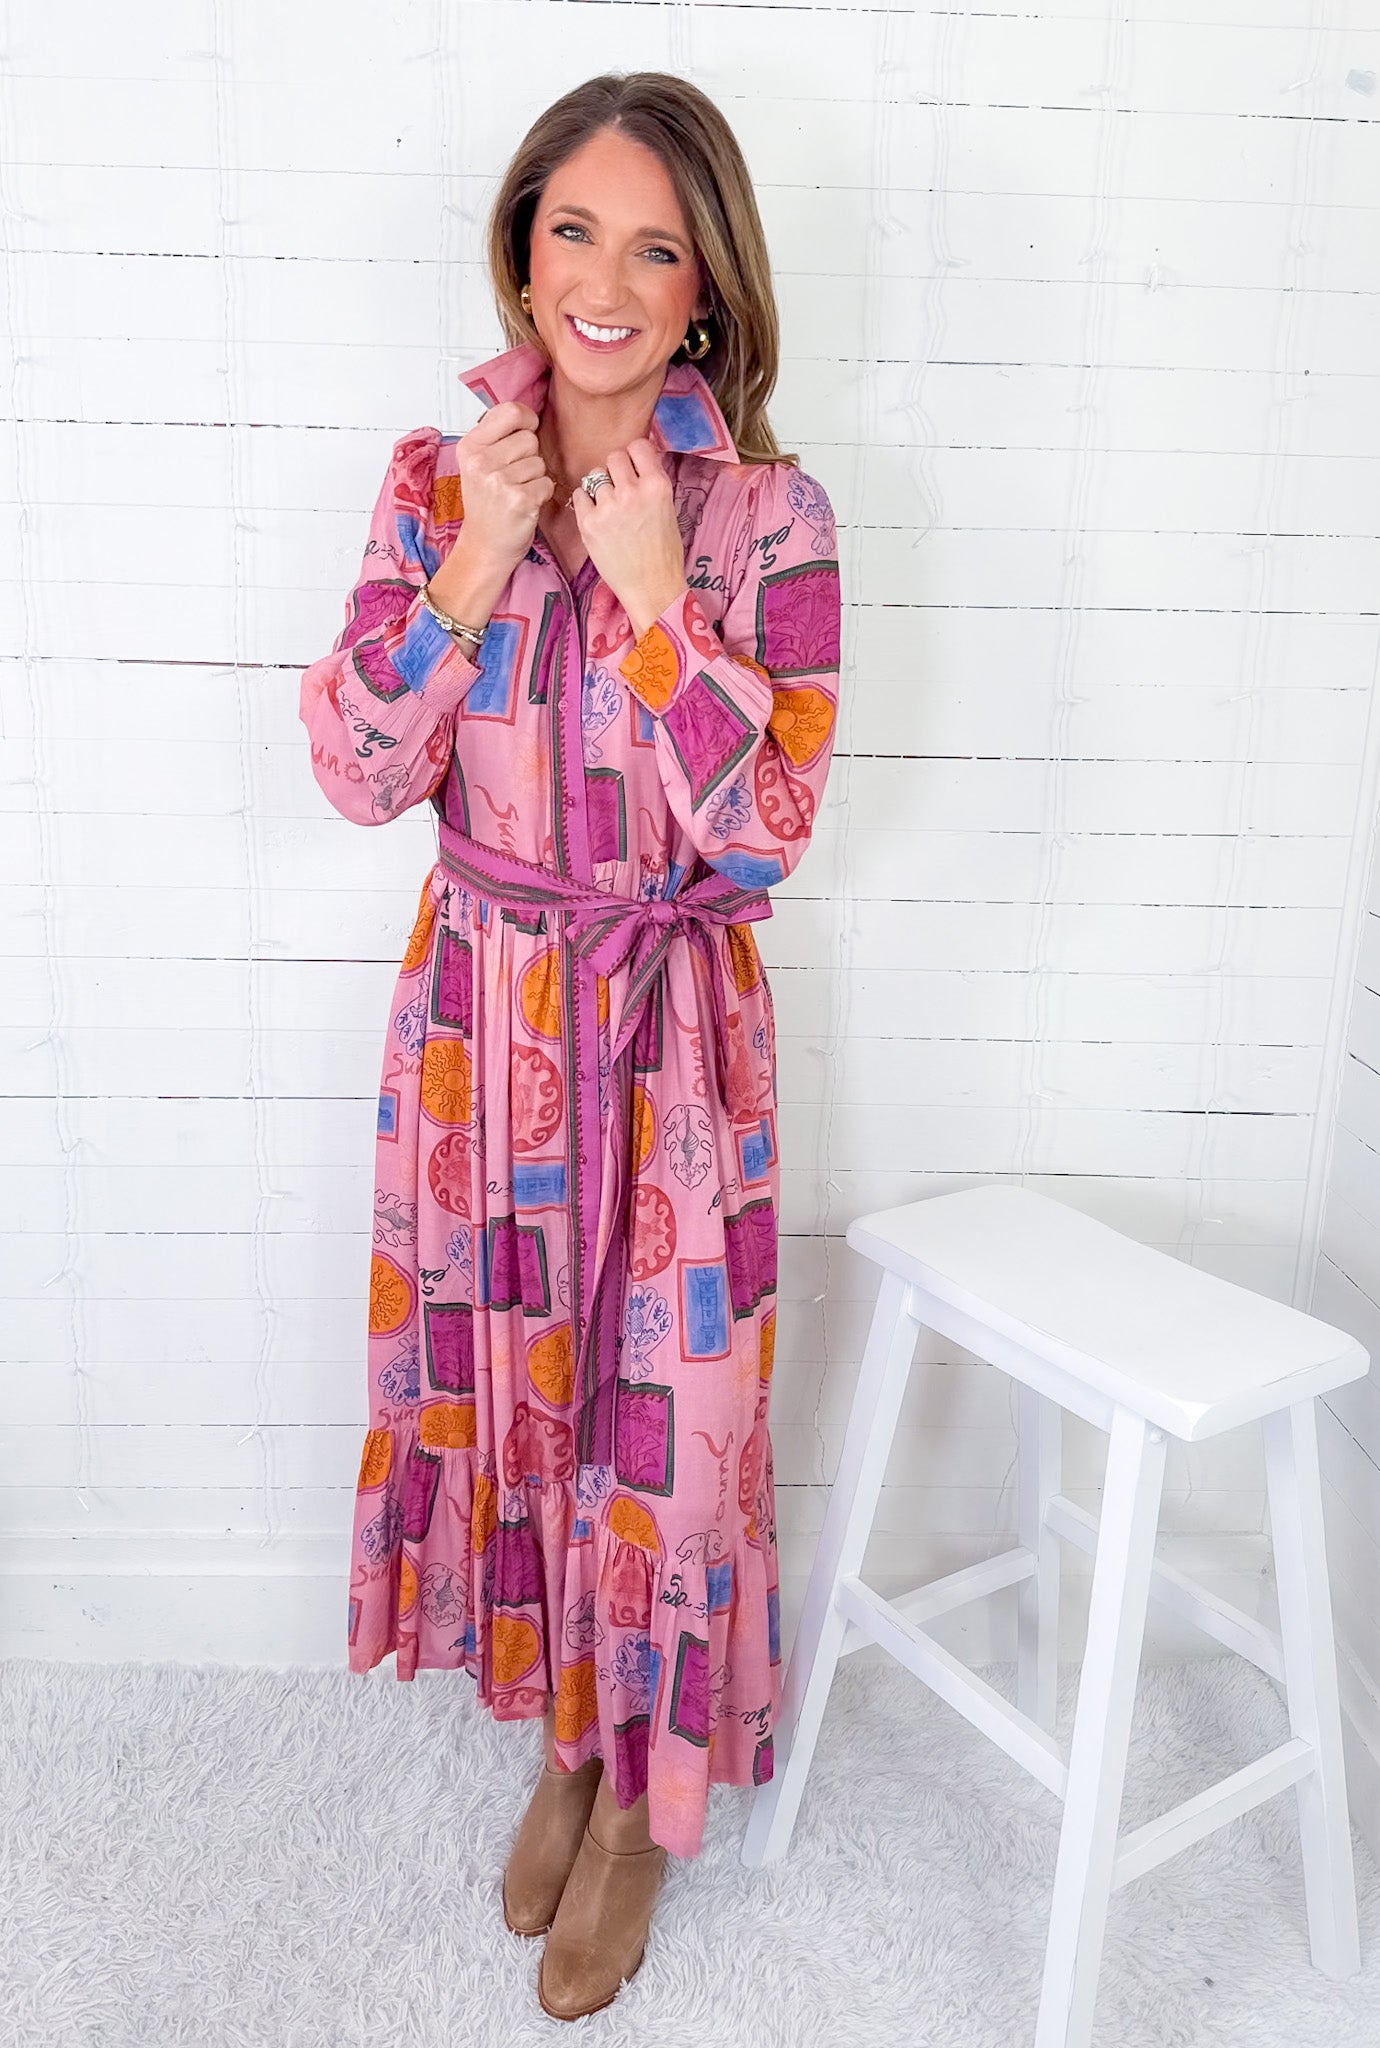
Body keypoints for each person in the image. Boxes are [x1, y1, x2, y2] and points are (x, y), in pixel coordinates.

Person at [299, 70, 841, 2021]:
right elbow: (360, 772)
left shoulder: (772, 519)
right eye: (570, 231)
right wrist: (469, 570)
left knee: (673, 1449)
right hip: (480, 1029)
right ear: (523, 249)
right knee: (526, 1410)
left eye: (653, 245)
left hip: (677, 1048)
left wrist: (645, 607)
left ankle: (642, 1803)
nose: (602, 281)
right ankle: (568, 1732)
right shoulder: (433, 485)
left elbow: (770, 828)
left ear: (707, 292)